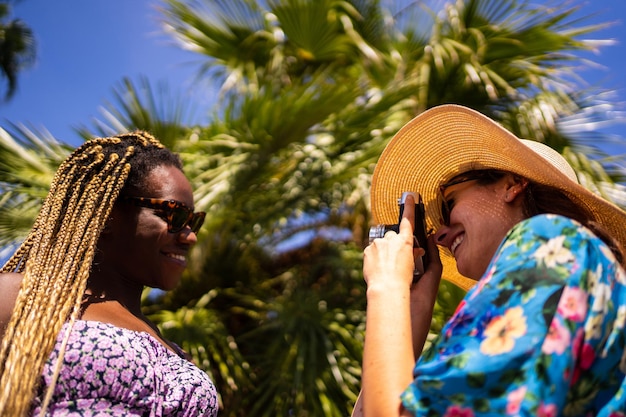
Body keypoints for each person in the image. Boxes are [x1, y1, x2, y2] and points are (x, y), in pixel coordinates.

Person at [355, 104, 626, 416]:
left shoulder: (551, 239)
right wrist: (414, 307)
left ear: (512, 184)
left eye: (450, 204)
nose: (440, 235)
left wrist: (386, 287)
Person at [0, 131, 219, 416]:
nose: (190, 237)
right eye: (174, 215)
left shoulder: (173, 350)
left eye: (194, 221)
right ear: (106, 215)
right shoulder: (22, 298)